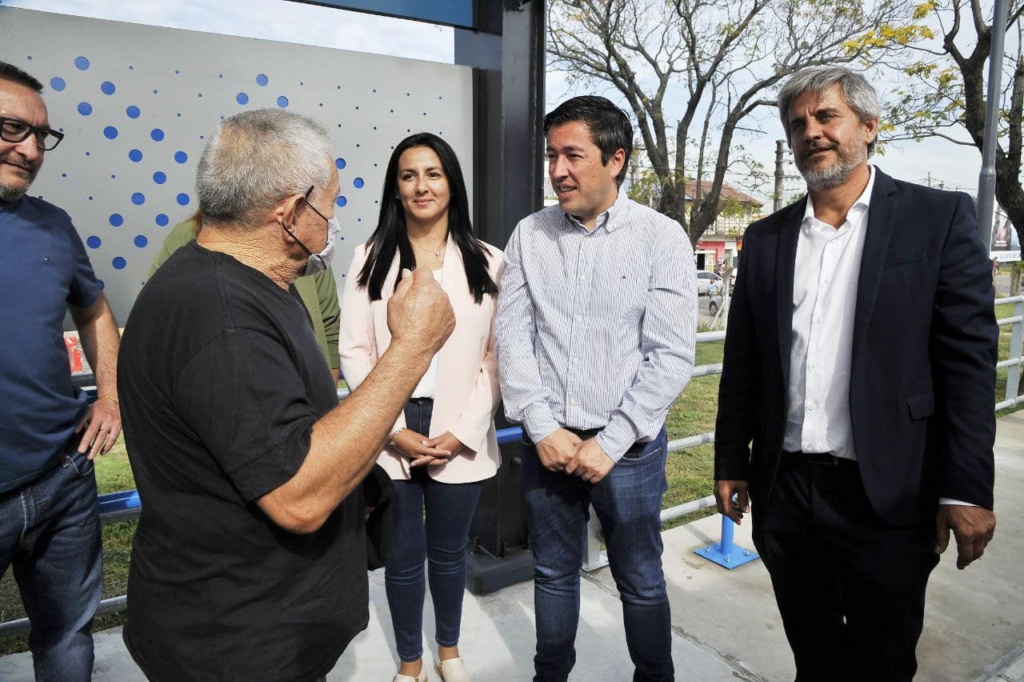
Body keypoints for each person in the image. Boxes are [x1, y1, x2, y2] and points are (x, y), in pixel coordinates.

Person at [116, 109, 454, 681]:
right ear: (292, 212)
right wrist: (413, 348)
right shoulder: (218, 316)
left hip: (262, 632)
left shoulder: (249, 284)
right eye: (328, 205)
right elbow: (297, 495)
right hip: (235, 648)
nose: (331, 221)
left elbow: (278, 431)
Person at [714, 66, 998, 681]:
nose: (811, 132)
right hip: (787, 490)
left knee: (883, 661)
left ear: (868, 127)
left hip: (890, 492)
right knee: (812, 656)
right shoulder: (766, 239)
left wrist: (966, 487)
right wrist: (731, 459)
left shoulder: (937, 219)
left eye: (826, 117)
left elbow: (968, 363)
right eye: (798, 124)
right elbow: (744, 362)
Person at [494, 95, 697, 682]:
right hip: (548, 444)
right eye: (551, 155)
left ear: (616, 159)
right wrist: (541, 427)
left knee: (640, 578)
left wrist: (610, 443)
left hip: (629, 451)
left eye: (572, 155)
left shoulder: (661, 238)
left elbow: (670, 357)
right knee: (553, 573)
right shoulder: (530, 235)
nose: (557, 170)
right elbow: (513, 339)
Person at [339, 132, 502, 682]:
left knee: (450, 554)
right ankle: (411, 663)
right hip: (393, 430)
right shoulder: (369, 259)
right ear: (395, 188)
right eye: (408, 175)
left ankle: (448, 652)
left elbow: (493, 362)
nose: (421, 185)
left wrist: (462, 432)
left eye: (433, 173)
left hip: (459, 431)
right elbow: (355, 352)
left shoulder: (489, 262)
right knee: (404, 561)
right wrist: (391, 430)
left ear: (452, 183)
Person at [0, 60, 122, 681]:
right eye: (10, 128)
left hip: (62, 477)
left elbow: (95, 307)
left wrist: (110, 398)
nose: (29, 150)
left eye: (39, 136)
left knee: (69, 637)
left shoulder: (53, 223)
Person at [148, 212, 343, 380]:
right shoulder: (187, 237)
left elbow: (330, 327)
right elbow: (158, 324)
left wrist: (325, 405)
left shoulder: (306, 240)